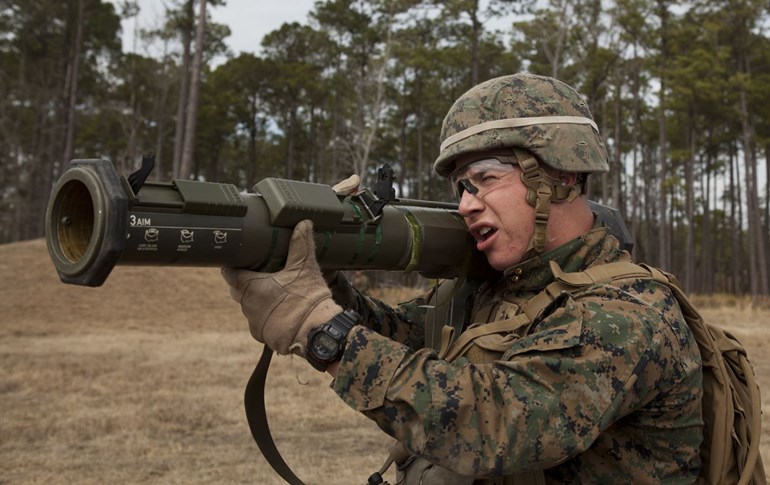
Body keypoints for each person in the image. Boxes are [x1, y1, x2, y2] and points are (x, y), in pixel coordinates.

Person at [221, 73, 703, 484]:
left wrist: (321, 330)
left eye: (486, 178)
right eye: (461, 188)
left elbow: (495, 423)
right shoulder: (501, 286)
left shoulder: (627, 315)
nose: (467, 204)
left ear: (561, 176)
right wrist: (323, 279)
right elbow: (400, 336)